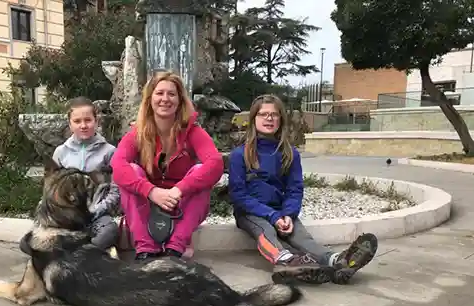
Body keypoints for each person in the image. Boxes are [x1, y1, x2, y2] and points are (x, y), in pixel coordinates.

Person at [228, 94, 378, 284]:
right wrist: (273, 217)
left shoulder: (290, 154)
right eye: (263, 114)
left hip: (281, 211)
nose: (269, 118)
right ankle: (286, 261)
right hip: (251, 213)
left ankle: (337, 261)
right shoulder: (239, 154)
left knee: (302, 237)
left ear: (281, 119)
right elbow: (238, 195)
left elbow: (295, 189)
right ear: (253, 119)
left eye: (274, 115)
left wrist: (288, 214)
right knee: (266, 230)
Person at [111, 71, 224, 260]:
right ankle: (145, 249)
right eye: (159, 93)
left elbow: (215, 164)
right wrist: (151, 191)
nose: (165, 99)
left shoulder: (193, 131)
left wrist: (179, 189)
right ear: (150, 98)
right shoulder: (137, 133)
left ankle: (175, 247)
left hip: (181, 205)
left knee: (199, 171)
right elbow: (118, 165)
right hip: (148, 206)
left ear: (180, 100)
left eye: (171, 94)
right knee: (131, 171)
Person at [52, 96, 120, 251]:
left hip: (97, 214)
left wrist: (96, 210)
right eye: (77, 121)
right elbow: (53, 188)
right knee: (29, 242)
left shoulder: (109, 152)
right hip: (68, 215)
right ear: (70, 124)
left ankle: (83, 254)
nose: (83, 125)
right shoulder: (61, 152)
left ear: (96, 121)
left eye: (88, 120)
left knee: (109, 231)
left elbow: (115, 190)